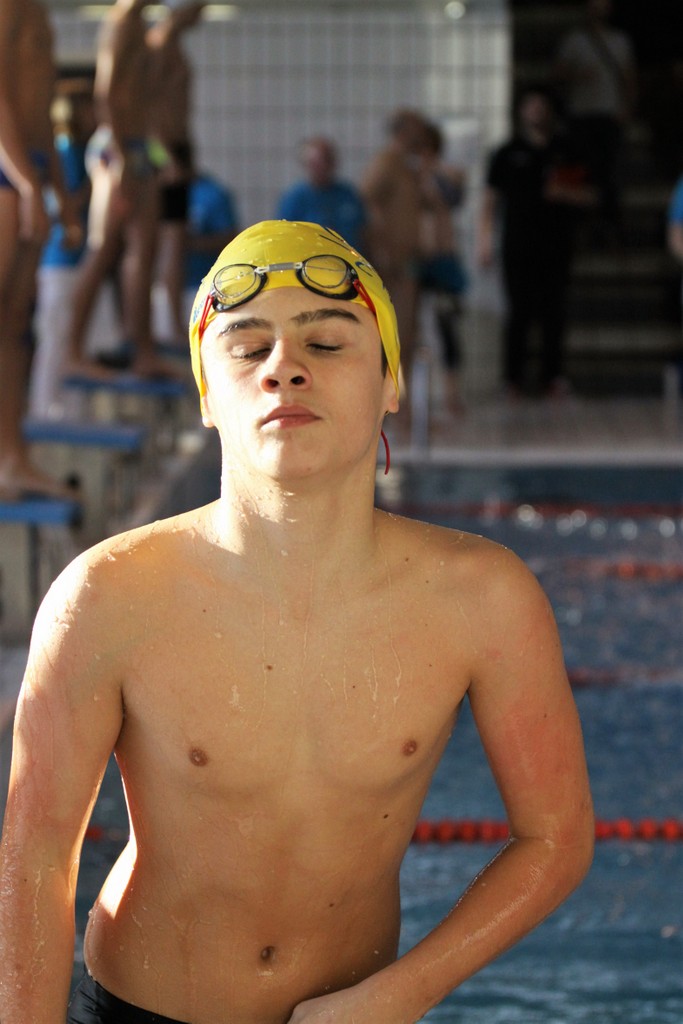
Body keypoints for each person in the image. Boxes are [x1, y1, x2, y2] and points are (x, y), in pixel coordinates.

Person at [0, 220, 594, 1024]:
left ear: (389, 384)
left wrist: (401, 993)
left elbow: (555, 838)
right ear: (206, 396)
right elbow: (35, 858)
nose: (284, 367)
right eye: (248, 348)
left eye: (327, 342)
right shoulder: (106, 596)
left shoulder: (483, 599)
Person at [0, 0, 81, 498]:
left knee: (14, 327)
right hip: (8, 163)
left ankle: (11, 458)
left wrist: (59, 194)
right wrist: (27, 183)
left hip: (24, 162)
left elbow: (42, 105)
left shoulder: (36, 10)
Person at [65, 0, 171, 378]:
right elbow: (106, 92)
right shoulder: (123, 22)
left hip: (135, 147)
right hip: (118, 149)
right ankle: (72, 351)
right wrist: (124, 158)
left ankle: (142, 350)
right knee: (102, 251)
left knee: (142, 253)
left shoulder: (140, 23)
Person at [477, 84, 596, 398]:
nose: (536, 113)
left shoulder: (567, 151)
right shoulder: (507, 153)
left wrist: (563, 193)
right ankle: (513, 380)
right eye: (531, 107)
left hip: (556, 246)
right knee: (518, 312)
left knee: (554, 311)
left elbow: (590, 195)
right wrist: (484, 242)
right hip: (518, 246)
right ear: (521, 111)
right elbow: (489, 203)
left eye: (542, 107)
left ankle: (552, 377)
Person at [29, 76, 97, 419]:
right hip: (59, 260)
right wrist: (96, 187)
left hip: (72, 260)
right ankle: (45, 412)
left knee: (67, 340)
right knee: (54, 342)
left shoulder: (80, 150)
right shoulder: (67, 151)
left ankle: (68, 411)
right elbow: (60, 204)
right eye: (90, 106)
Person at [146, 0, 206, 349]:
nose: (201, 17)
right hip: (164, 154)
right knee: (163, 241)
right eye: (197, 9)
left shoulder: (171, 44)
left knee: (174, 241)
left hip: (175, 151)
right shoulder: (160, 43)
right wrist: (165, 158)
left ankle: (170, 323)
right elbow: (144, 109)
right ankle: (164, 326)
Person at [553, 0, 637, 246]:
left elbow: (629, 76)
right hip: (581, 115)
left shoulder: (620, 40)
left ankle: (609, 225)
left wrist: (627, 108)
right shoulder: (574, 40)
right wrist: (578, 75)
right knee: (582, 171)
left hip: (609, 114)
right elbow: (557, 74)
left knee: (609, 173)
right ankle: (580, 223)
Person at [360, 108, 428, 397]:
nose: (422, 135)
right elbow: (366, 202)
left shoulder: (409, 166)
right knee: (394, 335)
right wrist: (382, 250)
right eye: (416, 129)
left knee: (408, 334)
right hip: (392, 266)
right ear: (402, 132)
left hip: (409, 261)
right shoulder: (387, 163)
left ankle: (403, 402)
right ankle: (392, 403)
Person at [417, 120, 468, 416]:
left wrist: (431, 173)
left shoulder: (448, 174)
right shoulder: (406, 176)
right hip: (417, 259)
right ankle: (408, 397)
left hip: (444, 260)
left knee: (447, 327)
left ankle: (451, 394)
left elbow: (453, 198)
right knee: (407, 328)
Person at [275, 136, 368, 253]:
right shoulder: (294, 199)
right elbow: (283, 238)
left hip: (347, 259)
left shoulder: (348, 195)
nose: (322, 167)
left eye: (327, 161)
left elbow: (364, 232)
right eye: (316, 163)